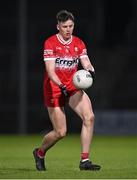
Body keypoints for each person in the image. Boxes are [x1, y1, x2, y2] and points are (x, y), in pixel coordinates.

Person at [33, 10, 101, 171]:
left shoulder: (78, 42)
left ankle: (85, 161)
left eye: (71, 26)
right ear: (58, 27)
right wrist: (60, 85)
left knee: (89, 117)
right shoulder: (50, 43)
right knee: (61, 132)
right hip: (54, 88)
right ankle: (40, 152)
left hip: (72, 86)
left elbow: (85, 62)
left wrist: (91, 70)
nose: (68, 29)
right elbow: (50, 71)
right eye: (65, 26)